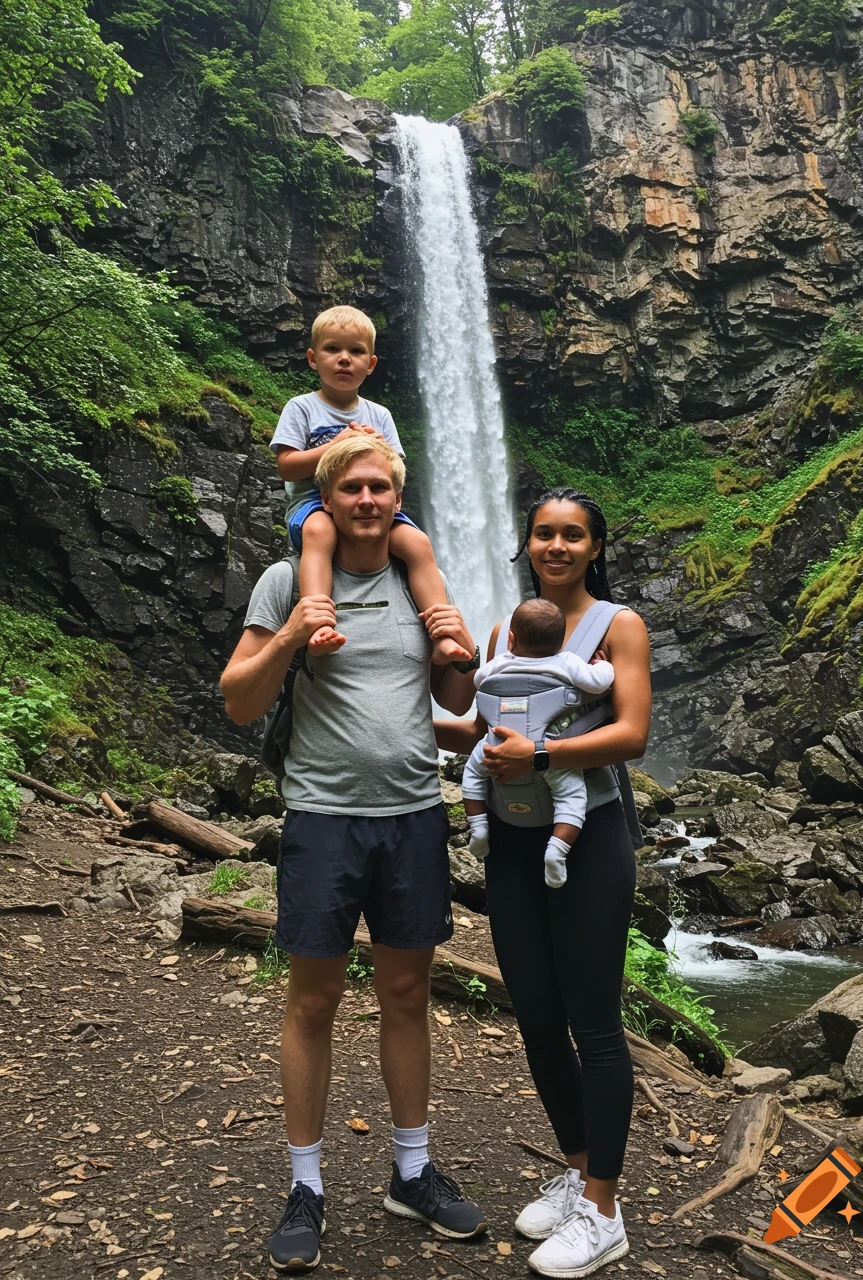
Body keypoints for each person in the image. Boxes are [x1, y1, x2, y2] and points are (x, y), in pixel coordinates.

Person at [220, 434, 486, 1273]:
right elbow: (237, 702)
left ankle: (412, 1171)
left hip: (411, 814)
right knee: (313, 1000)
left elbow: (452, 697)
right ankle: (307, 1185)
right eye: (352, 489)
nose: (367, 500)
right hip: (323, 818)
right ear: (326, 501)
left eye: (380, 488)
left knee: (407, 991)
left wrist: (463, 651)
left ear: (395, 499)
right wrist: (292, 634)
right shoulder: (286, 581)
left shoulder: (417, 575)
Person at [436, 486, 651, 1279]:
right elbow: (481, 725)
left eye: (572, 535)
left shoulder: (617, 625)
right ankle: (576, 1166)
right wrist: (395, 711)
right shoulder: (503, 630)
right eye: (543, 534)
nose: (556, 546)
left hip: (588, 840)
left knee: (592, 1021)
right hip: (515, 848)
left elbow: (630, 732)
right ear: (527, 543)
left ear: (594, 547)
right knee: (533, 1012)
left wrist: (545, 759)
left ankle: (604, 1210)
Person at [270, 304, 468, 664]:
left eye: (356, 351)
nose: (344, 359)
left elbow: (394, 471)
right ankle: (317, 624)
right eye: (333, 349)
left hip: (369, 505)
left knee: (417, 542)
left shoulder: (380, 414)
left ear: (370, 364)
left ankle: (442, 633)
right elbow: (286, 466)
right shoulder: (301, 408)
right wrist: (337, 445)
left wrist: (373, 447)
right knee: (320, 533)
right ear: (313, 359)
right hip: (313, 504)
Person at [461, 597, 615, 888]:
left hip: (495, 745)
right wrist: (603, 666)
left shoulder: (499, 664)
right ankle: (557, 850)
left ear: (510, 639)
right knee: (571, 797)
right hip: (549, 748)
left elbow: (478, 681)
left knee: (471, 774)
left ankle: (478, 829)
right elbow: (599, 683)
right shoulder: (567, 662)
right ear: (560, 643)